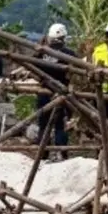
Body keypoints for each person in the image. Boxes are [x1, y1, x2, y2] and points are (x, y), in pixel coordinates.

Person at [37, 23, 76, 156]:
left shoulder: (41, 53)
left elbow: (31, 64)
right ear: (63, 37)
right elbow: (77, 71)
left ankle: (42, 155)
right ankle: (62, 155)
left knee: (43, 125)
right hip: (60, 93)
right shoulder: (69, 54)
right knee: (60, 125)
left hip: (44, 93)